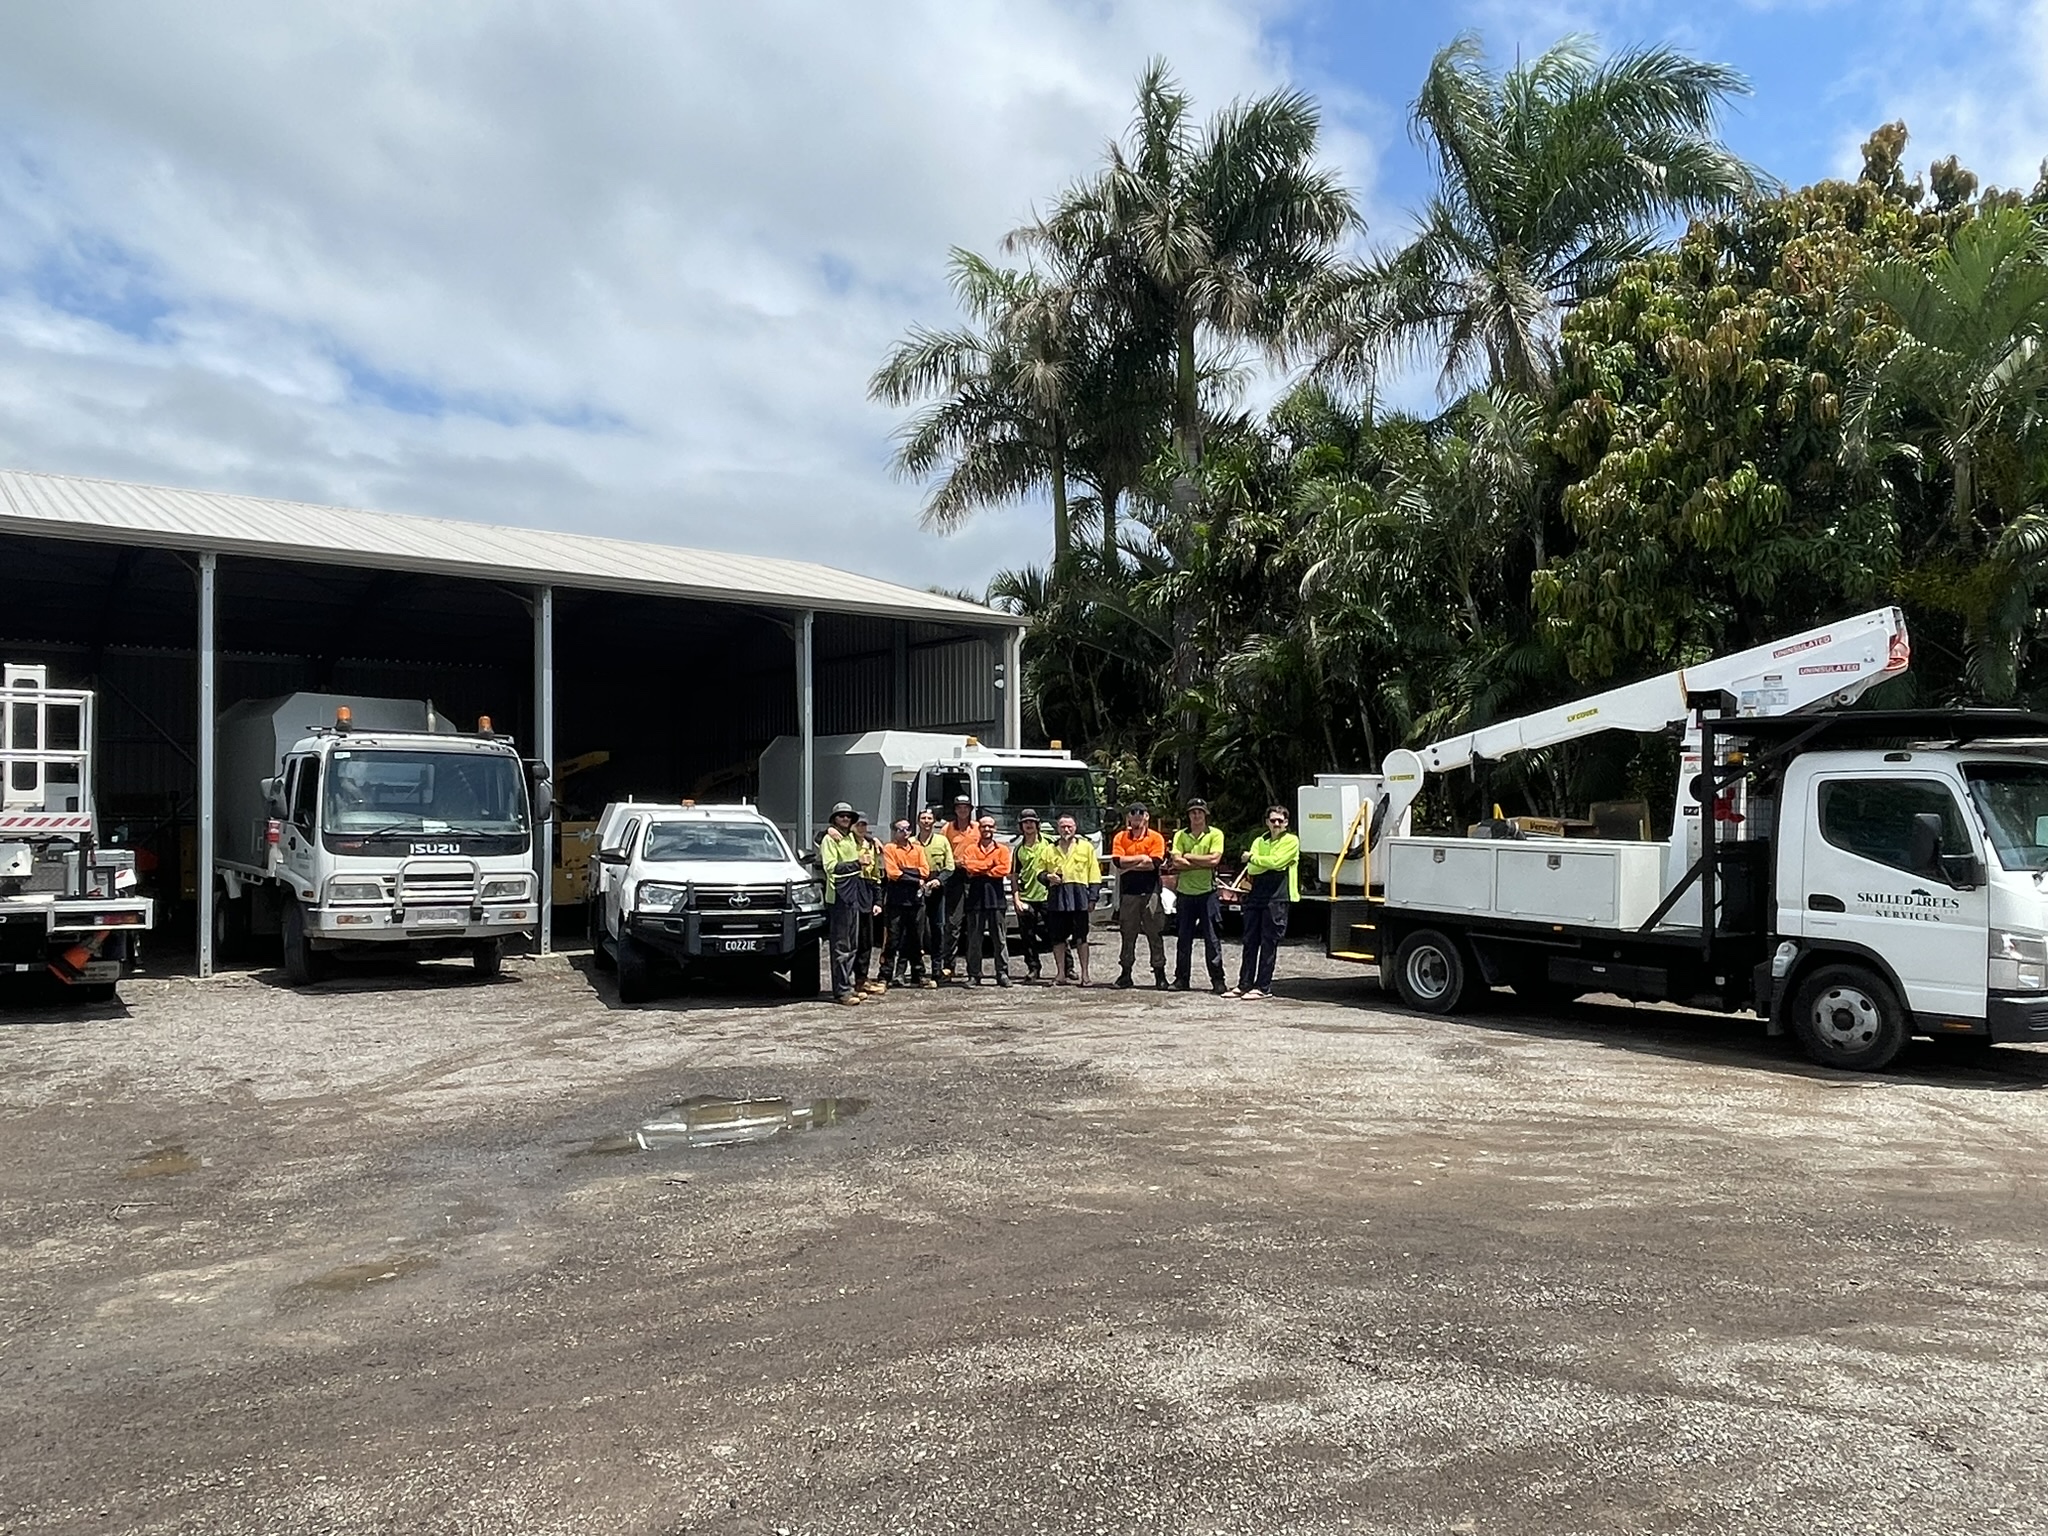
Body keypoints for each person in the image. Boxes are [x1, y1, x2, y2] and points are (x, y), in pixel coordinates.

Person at [1229, 805, 1300, 1000]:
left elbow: (1277, 863)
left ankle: (1263, 987)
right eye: (1273, 820)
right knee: (1249, 940)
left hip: (1277, 896)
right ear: (1267, 822)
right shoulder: (1259, 840)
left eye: (1280, 820)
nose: (1276, 823)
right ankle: (1244, 985)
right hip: (1256, 895)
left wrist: (1253, 857)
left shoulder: (1291, 840)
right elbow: (1253, 869)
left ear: (1286, 823)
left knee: (1269, 942)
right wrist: (1263, 862)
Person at [1168, 798, 1227, 993]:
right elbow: (1176, 862)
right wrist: (1202, 862)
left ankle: (1218, 980)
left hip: (1207, 894)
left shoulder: (1215, 834)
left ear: (1205, 814)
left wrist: (1189, 857)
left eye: (1200, 812)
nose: (1196, 815)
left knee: (1212, 939)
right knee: (1183, 939)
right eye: (1193, 812)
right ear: (1188, 815)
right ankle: (1181, 979)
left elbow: (1215, 860)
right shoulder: (1180, 835)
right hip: (1185, 893)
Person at [1110, 802, 1168, 990]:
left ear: (1147, 816)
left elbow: (1155, 862)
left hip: (1151, 893)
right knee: (1127, 934)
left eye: (1140, 812)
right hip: (1129, 894)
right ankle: (1125, 974)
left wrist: (1130, 866)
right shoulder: (1120, 837)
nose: (1136, 815)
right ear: (1128, 816)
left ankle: (1160, 974)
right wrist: (1143, 858)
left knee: (1155, 934)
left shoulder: (1156, 837)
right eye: (1133, 812)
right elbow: (1117, 861)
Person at [955, 812, 1013, 986]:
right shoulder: (970, 849)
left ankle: (1002, 973)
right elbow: (969, 866)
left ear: (995, 829)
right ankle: (974, 974)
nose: (987, 829)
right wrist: (990, 865)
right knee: (974, 940)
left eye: (990, 826)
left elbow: (1004, 869)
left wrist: (981, 868)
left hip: (996, 900)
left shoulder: (1003, 849)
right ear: (978, 829)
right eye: (983, 826)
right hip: (975, 900)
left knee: (1000, 939)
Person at [818, 802, 867, 1005]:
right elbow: (830, 867)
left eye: (848, 816)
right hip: (838, 895)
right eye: (841, 816)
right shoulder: (830, 838)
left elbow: (864, 837)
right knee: (841, 945)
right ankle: (841, 991)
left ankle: (847, 986)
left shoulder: (849, 837)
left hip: (853, 893)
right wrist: (857, 863)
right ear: (834, 820)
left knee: (852, 945)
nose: (845, 819)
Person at [1044, 814, 1102, 986]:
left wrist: (1093, 898)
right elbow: (1040, 871)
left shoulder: (1086, 847)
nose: (1066, 829)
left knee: (1081, 938)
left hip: (1079, 896)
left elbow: (1094, 874)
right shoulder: (1049, 849)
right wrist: (1047, 877)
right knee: (1058, 939)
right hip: (1057, 897)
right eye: (1063, 826)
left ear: (1075, 828)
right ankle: (1060, 974)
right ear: (1058, 829)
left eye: (1069, 826)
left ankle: (1085, 975)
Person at [879, 819, 935, 989]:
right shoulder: (890, 848)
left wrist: (906, 872)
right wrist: (915, 877)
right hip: (896, 901)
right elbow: (893, 873)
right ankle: (885, 976)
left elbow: (925, 871)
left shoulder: (918, 849)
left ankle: (919, 974)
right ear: (894, 831)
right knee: (892, 939)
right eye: (900, 829)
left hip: (916, 901)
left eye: (908, 829)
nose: (905, 832)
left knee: (916, 938)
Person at [1011, 809, 1054, 981]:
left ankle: (1067, 967)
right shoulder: (1018, 849)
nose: (1029, 825)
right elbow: (1014, 876)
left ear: (1037, 824)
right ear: (1021, 826)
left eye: (1032, 822)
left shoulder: (1050, 843)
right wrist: (1016, 899)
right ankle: (1033, 968)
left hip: (1048, 896)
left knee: (1056, 933)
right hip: (1027, 897)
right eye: (1025, 822)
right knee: (1027, 937)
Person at [939, 794, 979, 978]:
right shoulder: (947, 829)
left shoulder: (977, 828)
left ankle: (973, 969)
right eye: (959, 807)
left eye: (966, 807)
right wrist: (953, 863)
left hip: (974, 876)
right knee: (953, 924)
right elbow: (942, 851)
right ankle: (949, 966)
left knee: (974, 925)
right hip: (954, 877)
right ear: (955, 810)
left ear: (970, 810)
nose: (963, 810)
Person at [915, 807, 954, 979]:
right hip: (917, 886)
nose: (926, 821)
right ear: (918, 822)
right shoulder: (911, 842)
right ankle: (917, 969)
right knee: (917, 929)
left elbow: (950, 866)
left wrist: (939, 880)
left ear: (934, 821)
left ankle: (937, 968)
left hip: (937, 887)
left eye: (929, 818)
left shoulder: (942, 841)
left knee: (938, 928)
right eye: (923, 818)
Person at [852, 813, 884, 994]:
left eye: (864, 825)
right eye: (858, 824)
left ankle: (861, 980)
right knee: (851, 942)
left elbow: (875, 875)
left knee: (866, 941)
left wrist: (877, 900)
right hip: (851, 893)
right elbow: (821, 837)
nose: (861, 828)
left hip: (867, 892)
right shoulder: (846, 841)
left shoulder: (871, 845)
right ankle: (846, 982)